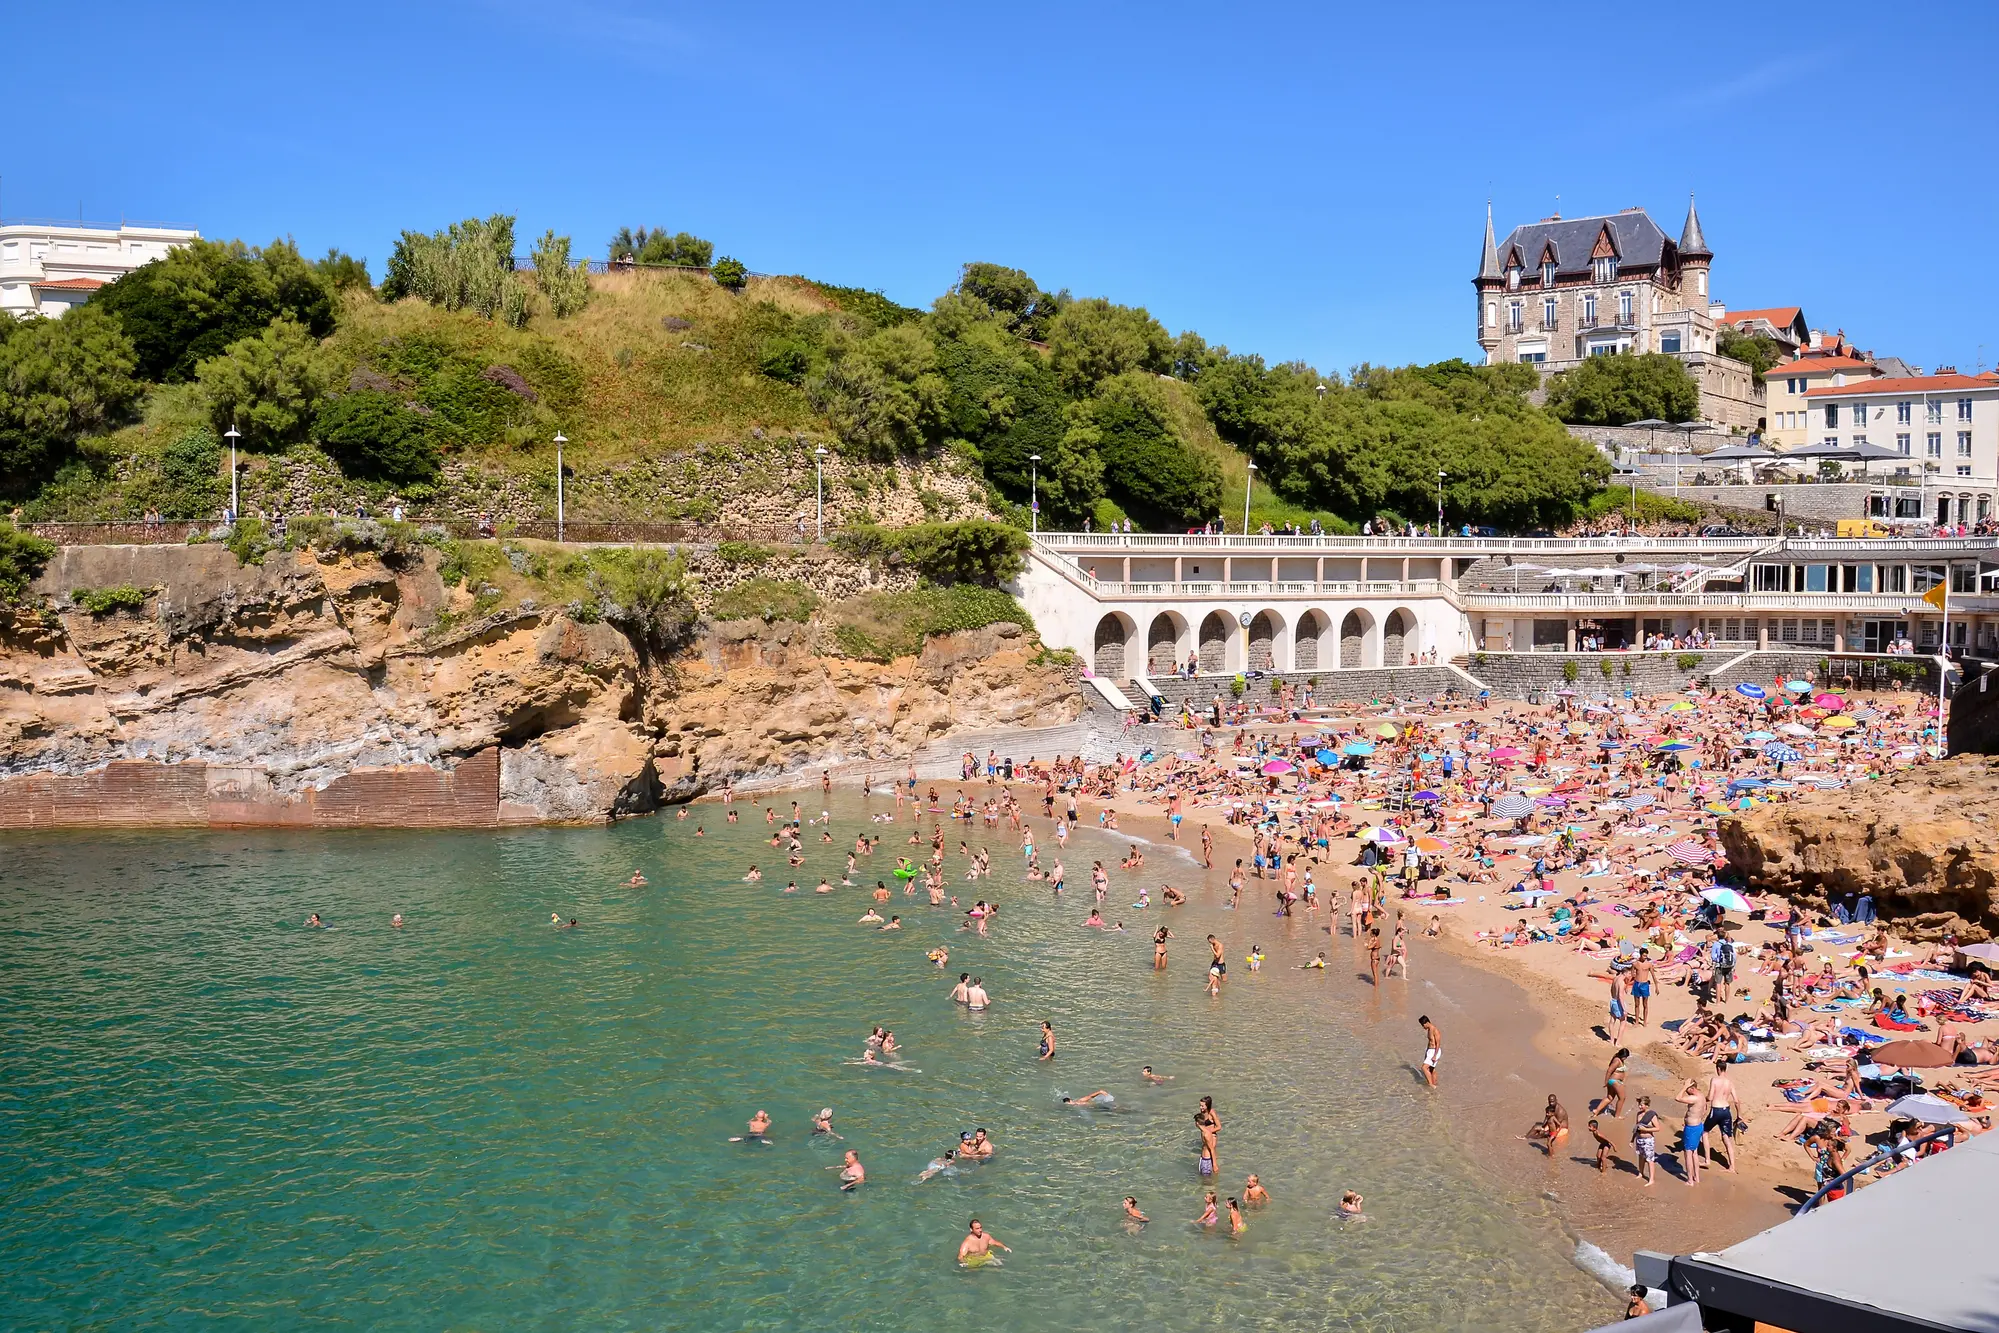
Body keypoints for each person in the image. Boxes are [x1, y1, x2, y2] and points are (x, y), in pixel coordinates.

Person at [1632, 1096, 1660, 1187]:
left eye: (1641, 1105)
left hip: (1648, 1140)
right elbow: (1636, 1127)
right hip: (1639, 1139)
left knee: (1649, 1159)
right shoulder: (1638, 1114)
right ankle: (1641, 1173)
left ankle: (1651, 1179)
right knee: (1640, 1157)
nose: (1640, 1107)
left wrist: (1645, 1129)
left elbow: (1657, 1128)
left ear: (1647, 1105)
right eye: (1639, 1105)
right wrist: (1632, 1140)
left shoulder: (1651, 1115)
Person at [1419, 1015, 1442, 1088]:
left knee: (1424, 1068)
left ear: (1426, 1023)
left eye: (1423, 1025)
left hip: (1434, 1051)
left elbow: (1438, 1043)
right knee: (1431, 1069)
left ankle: (1431, 1084)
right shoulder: (1429, 1030)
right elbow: (1430, 1042)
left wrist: (1435, 1055)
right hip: (1430, 1051)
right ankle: (1434, 1083)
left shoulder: (1435, 1030)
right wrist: (1427, 1052)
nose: (1423, 1027)